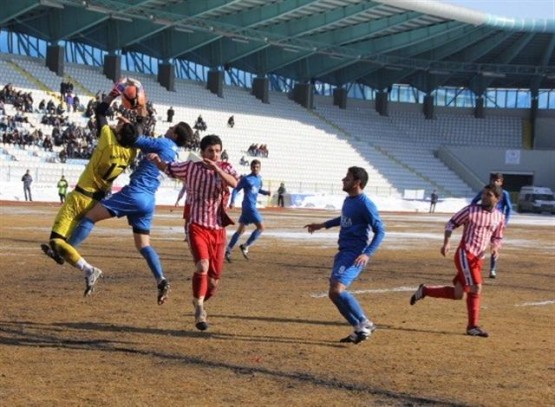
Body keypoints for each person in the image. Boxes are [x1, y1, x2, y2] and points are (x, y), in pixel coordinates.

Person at [54, 121, 193, 304]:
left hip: (134, 193)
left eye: (171, 128)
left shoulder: (163, 143)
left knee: (90, 216)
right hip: (149, 200)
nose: (168, 129)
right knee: (144, 245)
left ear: (175, 135)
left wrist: (123, 127)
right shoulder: (174, 154)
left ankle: (65, 251)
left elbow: (134, 139)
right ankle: (161, 279)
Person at [41, 81, 139, 277]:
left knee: (55, 240)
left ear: (119, 133)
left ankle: (89, 269)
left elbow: (100, 111)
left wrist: (114, 93)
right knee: (61, 243)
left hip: (80, 197)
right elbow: (139, 129)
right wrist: (139, 104)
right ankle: (61, 255)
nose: (118, 123)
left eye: (120, 125)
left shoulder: (108, 140)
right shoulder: (132, 152)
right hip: (96, 200)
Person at [148, 134, 239, 331]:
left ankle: (200, 300)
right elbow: (169, 168)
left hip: (218, 230)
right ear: (202, 152)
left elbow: (235, 183)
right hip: (197, 225)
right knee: (202, 265)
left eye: (217, 151)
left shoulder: (226, 167)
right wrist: (157, 161)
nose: (214, 154)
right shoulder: (191, 167)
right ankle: (199, 308)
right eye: (210, 151)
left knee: (213, 283)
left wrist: (216, 169)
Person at [410, 184, 505, 338]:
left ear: (497, 198)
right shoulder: (471, 210)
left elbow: (498, 236)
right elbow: (451, 223)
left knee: (458, 294)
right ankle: (472, 326)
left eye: (489, 195)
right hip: (465, 254)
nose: (484, 197)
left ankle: (425, 290)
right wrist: (447, 242)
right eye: (484, 194)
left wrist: (495, 246)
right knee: (476, 287)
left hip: (478, 259)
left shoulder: (499, 217)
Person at [304, 167, 385, 344]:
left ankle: (365, 323)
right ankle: (358, 328)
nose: (343, 180)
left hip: (355, 253)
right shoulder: (349, 200)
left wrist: (367, 254)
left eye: (347, 178)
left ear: (357, 183)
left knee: (337, 289)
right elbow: (344, 219)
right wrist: (322, 225)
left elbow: (380, 231)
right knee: (333, 293)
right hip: (343, 252)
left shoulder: (365, 204)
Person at [225, 160, 271, 262]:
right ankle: (245, 246)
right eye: (254, 167)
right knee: (261, 227)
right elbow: (236, 189)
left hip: (247, 208)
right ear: (251, 167)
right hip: (249, 207)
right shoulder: (246, 179)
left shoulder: (259, 179)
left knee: (241, 230)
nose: (255, 168)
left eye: (257, 167)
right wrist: (232, 201)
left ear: (260, 168)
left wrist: (265, 192)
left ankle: (228, 250)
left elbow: (257, 189)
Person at [470, 173, 512, 278]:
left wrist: (505, 221)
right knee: (479, 244)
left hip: (497, 223)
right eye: (493, 180)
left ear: (501, 182)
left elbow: (509, 207)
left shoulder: (504, 193)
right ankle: (474, 266)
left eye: (497, 181)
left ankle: (492, 269)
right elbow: (474, 201)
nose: (495, 182)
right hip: (485, 221)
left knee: (495, 246)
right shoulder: (485, 191)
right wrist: (477, 212)